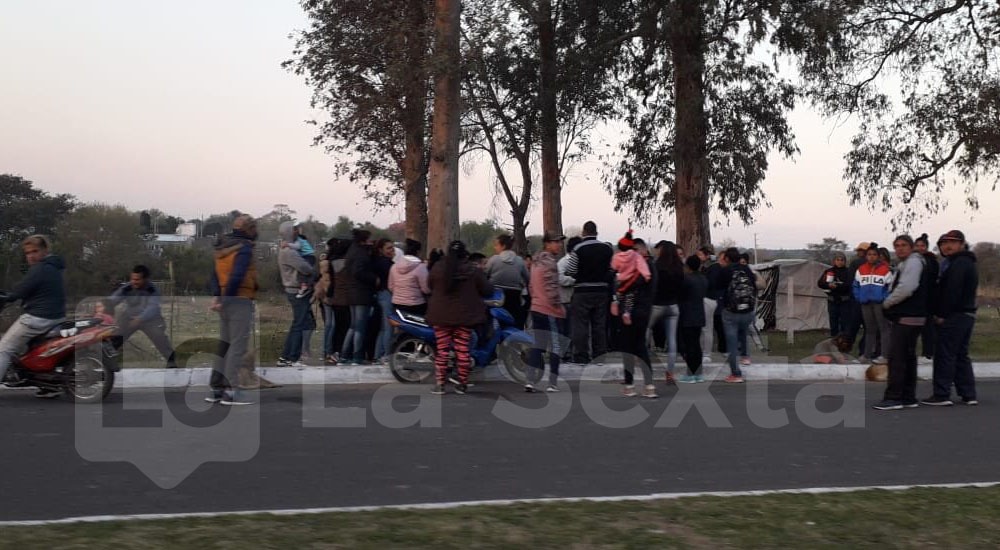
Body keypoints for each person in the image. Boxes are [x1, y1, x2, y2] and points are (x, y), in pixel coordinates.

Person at [0, 235, 66, 398]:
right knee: (33, 349)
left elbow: (21, 290)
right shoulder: (54, 267)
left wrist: (7, 297)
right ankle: (48, 386)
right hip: (55, 317)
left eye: (35, 251)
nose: (31, 256)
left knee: (4, 349)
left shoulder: (40, 269)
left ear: (45, 250)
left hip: (38, 318)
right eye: (28, 253)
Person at [873, 235, 932, 411]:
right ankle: (908, 396)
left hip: (908, 316)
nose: (900, 248)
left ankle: (894, 397)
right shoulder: (908, 263)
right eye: (897, 245)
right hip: (912, 316)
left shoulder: (913, 262)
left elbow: (906, 288)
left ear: (911, 247)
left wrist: (887, 303)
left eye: (904, 245)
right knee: (907, 357)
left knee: (897, 358)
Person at [426, 241, 494, 395]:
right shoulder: (473, 270)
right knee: (462, 350)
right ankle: (462, 384)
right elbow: (487, 289)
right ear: (465, 253)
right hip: (464, 317)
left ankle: (440, 385)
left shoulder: (438, 268)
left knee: (442, 350)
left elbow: (429, 285)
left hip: (441, 316)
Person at [206, 215, 258, 406]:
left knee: (224, 345)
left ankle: (216, 389)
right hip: (239, 300)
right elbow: (237, 276)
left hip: (225, 299)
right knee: (237, 346)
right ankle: (231, 391)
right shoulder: (244, 248)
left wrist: (218, 297)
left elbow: (214, 275)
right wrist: (226, 299)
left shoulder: (222, 248)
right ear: (248, 229)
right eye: (254, 228)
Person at [923, 230, 978, 406]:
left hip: (955, 314)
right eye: (944, 243)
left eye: (953, 242)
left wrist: (942, 314)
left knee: (944, 354)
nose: (947, 246)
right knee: (961, 354)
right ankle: (968, 394)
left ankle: (941, 394)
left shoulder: (958, 263)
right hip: (967, 314)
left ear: (961, 244)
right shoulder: (964, 262)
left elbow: (952, 291)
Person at [108, 265, 178, 369]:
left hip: (150, 319)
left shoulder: (152, 290)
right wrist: (103, 306)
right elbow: (113, 299)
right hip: (130, 317)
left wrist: (140, 318)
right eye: (132, 279)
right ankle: (105, 361)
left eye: (137, 280)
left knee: (159, 337)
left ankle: (172, 362)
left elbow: (153, 307)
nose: (134, 282)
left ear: (145, 279)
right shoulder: (127, 288)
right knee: (115, 337)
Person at [564, 221, 614, 365]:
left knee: (581, 325)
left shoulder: (578, 248)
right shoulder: (606, 249)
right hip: (601, 291)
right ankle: (599, 355)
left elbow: (570, 270)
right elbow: (612, 269)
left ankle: (581, 356)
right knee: (599, 324)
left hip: (582, 291)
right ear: (596, 233)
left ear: (583, 233)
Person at [525, 232, 567, 393]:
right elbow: (552, 289)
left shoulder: (535, 262)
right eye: (556, 242)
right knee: (556, 346)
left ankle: (530, 380)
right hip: (550, 310)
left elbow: (531, 286)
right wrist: (559, 307)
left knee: (538, 345)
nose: (559, 245)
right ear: (547, 244)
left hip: (536, 307)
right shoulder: (550, 263)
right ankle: (552, 383)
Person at [620, 237, 658, 398]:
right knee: (640, 346)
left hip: (632, 311)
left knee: (628, 348)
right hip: (645, 310)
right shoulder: (652, 266)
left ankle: (629, 384)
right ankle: (649, 385)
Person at [335, 229, 377, 366]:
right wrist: (374, 279)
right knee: (360, 327)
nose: (371, 241)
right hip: (361, 294)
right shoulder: (361, 254)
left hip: (352, 293)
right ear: (363, 240)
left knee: (353, 327)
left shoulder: (352, 251)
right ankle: (357, 356)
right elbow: (359, 272)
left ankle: (344, 356)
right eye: (369, 239)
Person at [277, 221, 315, 367]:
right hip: (296, 289)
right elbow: (306, 268)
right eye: (293, 229)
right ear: (288, 232)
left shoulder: (286, 249)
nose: (296, 231)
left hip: (292, 289)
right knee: (300, 324)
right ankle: (292, 358)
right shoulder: (289, 252)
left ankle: (286, 357)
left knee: (298, 323)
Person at [718, 248, 756, 383]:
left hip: (731, 312)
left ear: (727, 258)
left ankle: (736, 374)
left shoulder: (725, 271)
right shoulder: (746, 269)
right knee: (743, 333)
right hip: (748, 311)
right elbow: (754, 286)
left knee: (732, 344)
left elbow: (718, 287)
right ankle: (745, 356)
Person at [648, 241, 684, 381]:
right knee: (672, 339)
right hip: (673, 305)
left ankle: (642, 360)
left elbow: (651, 285)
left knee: (645, 332)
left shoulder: (656, 266)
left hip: (657, 305)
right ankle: (670, 372)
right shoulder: (679, 267)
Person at [852, 243, 891, 364]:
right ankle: (866, 355)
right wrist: (859, 297)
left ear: (878, 256)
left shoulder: (885, 270)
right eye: (869, 254)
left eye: (874, 254)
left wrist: (884, 298)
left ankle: (885, 356)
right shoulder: (861, 269)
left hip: (879, 303)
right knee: (869, 329)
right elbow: (856, 285)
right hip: (865, 303)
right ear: (866, 256)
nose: (872, 257)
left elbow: (890, 287)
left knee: (884, 329)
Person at [484, 234, 529, 329]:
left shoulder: (493, 260)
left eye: (496, 245)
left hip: (496, 299)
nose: (495, 247)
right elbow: (527, 278)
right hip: (515, 299)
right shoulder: (520, 261)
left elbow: (484, 277)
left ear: (503, 246)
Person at [610, 231, 652, 326]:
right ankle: (627, 313)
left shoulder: (616, 256)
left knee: (618, 293)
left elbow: (613, 268)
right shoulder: (636, 256)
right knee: (630, 297)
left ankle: (615, 303)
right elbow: (642, 266)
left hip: (620, 279)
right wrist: (647, 275)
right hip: (631, 279)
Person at [677, 255, 707, 383]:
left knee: (689, 346)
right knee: (696, 344)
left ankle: (690, 374)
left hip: (687, 315)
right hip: (699, 315)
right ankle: (698, 373)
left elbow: (680, 295)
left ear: (688, 266)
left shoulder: (686, 279)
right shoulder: (703, 279)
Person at [914, 233, 939, 362]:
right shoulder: (912, 260)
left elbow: (933, 282)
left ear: (926, 247)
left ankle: (928, 353)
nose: (920, 248)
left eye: (922, 246)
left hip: (928, 299)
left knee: (927, 328)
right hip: (915, 299)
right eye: (917, 246)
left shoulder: (931, 261)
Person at [389, 238, 431, 316]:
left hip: (397, 303)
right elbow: (426, 289)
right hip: (416, 304)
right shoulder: (421, 267)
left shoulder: (394, 266)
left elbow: (391, 287)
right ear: (418, 252)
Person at [698, 245, 724, 364]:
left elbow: (711, 283)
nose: (698, 257)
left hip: (708, 298)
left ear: (707, 255)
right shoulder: (707, 267)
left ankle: (706, 353)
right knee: (704, 328)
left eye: (700, 254)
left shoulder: (712, 267)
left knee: (707, 328)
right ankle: (703, 351)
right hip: (706, 298)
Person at [372, 238, 396, 363]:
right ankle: (386, 354)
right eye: (389, 248)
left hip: (380, 295)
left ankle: (378, 355)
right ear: (381, 250)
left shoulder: (378, 262)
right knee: (388, 328)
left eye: (392, 247)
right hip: (386, 294)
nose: (392, 250)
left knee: (383, 328)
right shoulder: (387, 264)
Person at [817, 252, 852, 337]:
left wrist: (837, 286)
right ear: (834, 261)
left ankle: (844, 340)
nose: (840, 262)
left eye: (842, 260)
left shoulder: (849, 272)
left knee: (845, 322)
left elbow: (850, 285)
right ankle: (833, 339)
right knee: (833, 321)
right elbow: (820, 283)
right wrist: (828, 285)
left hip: (844, 301)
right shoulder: (829, 271)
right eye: (838, 260)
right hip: (832, 301)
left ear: (845, 261)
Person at [282, 226, 316, 299]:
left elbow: (297, 247)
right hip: (309, 256)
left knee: (302, 272)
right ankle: (308, 286)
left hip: (308, 256)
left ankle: (305, 287)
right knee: (305, 271)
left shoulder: (298, 240)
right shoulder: (300, 240)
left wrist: (287, 245)